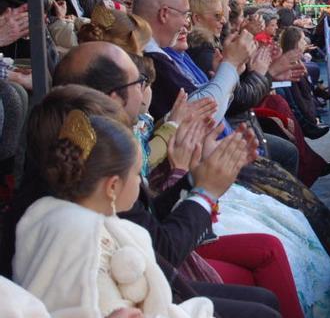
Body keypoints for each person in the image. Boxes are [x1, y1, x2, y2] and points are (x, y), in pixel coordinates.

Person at [13, 105, 215, 317]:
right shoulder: (80, 234)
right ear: (112, 187)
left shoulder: (45, 215)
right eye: (137, 174)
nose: (140, 182)